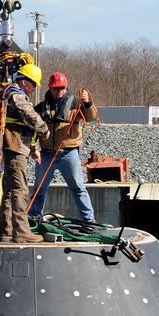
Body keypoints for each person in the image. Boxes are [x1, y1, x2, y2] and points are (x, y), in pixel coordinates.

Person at [29, 72, 99, 225]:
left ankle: (89, 220)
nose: (60, 91)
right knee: (39, 188)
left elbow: (91, 117)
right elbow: (32, 131)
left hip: (69, 153)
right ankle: (33, 218)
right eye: (57, 88)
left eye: (63, 88)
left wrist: (87, 103)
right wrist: (33, 148)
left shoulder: (76, 103)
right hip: (46, 154)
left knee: (78, 187)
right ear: (50, 88)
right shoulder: (40, 108)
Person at [0, 62, 49, 242]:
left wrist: (34, 149)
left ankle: (7, 230)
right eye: (33, 84)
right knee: (20, 189)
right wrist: (44, 128)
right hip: (14, 147)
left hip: (17, 146)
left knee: (10, 190)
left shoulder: (14, 94)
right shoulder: (15, 95)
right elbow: (29, 116)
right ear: (25, 81)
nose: (34, 88)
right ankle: (21, 231)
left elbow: (22, 126)